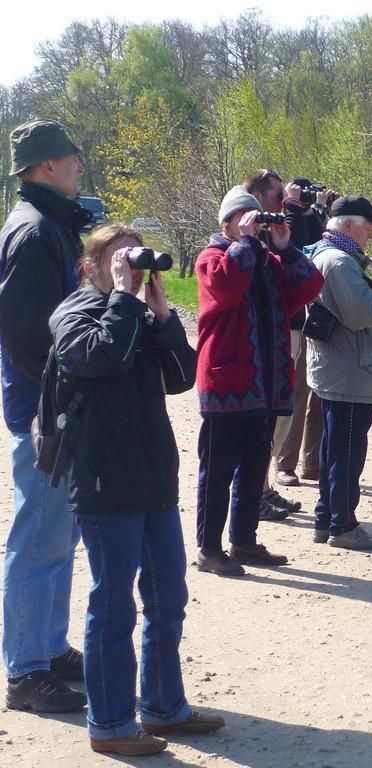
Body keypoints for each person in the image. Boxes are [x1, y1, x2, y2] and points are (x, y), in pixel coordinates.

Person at [50, 225, 224, 755]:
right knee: (114, 607)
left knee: (168, 597)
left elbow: (182, 375)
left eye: (134, 257)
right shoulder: (73, 315)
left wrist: (164, 314)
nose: (127, 266)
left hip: (152, 479)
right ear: (91, 265)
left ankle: (164, 707)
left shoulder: (137, 313)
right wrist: (124, 299)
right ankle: (109, 724)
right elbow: (102, 358)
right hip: (104, 482)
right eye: (116, 257)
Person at [0, 119, 89, 713]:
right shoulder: (34, 231)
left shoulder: (47, 222)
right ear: (47, 166)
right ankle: (26, 670)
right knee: (38, 538)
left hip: (53, 404)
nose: (80, 166)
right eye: (72, 157)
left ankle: (47, 648)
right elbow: (26, 334)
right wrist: (67, 391)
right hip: (44, 410)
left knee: (58, 534)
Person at [194, 186, 324, 576]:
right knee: (217, 471)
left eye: (257, 217)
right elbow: (225, 288)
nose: (254, 223)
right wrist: (247, 244)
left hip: (265, 384)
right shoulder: (212, 257)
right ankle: (209, 548)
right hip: (227, 384)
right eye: (244, 217)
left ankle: (244, 541)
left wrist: (285, 247)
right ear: (227, 223)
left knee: (253, 468)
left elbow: (307, 289)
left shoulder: (268, 260)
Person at [306, 195, 372, 550]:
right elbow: (363, 314)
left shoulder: (325, 254)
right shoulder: (340, 263)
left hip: (338, 369)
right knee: (347, 454)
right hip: (350, 371)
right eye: (369, 227)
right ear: (349, 225)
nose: (371, 235)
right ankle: (343, 526)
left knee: (334, 450)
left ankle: (326, 519)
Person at [241, 169, 305, 519]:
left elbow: (306, 265)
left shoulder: (270, 234)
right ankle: (258, 489)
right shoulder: (246, 237)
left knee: (274, 419)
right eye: (278, 196)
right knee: (264, 420)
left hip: (282, 333)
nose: (282, 203)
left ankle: (263, 487)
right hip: (262, 343)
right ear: (258, 196)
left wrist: (300, 214)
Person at [271, 177, 335, 488]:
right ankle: (285, 463)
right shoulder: (279, 220)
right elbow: (292, 250)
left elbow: (317, 248)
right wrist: (292, 209)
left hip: (319, 320)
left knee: (319, 394)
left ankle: (314, 462)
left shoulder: (309, 216)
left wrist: (320, 211)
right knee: (296, 394)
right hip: (296, 321)